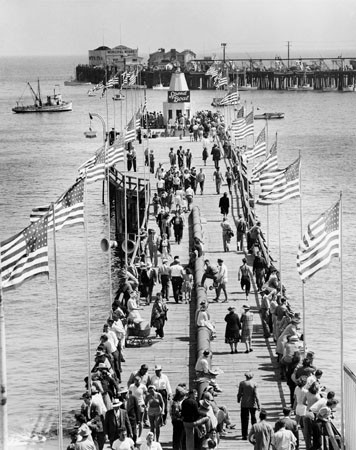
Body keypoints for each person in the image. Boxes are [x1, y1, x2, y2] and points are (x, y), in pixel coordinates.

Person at [237, 372, 260, 440]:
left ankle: (244, 435)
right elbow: (256, 395)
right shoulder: (254, 384)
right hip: (253, 404)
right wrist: (259, 404)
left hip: (244, 403)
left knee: (244, 419)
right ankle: (254, 434)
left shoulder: (242, 383)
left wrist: (238, 399)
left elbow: (239, 393)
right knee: (253, 419)